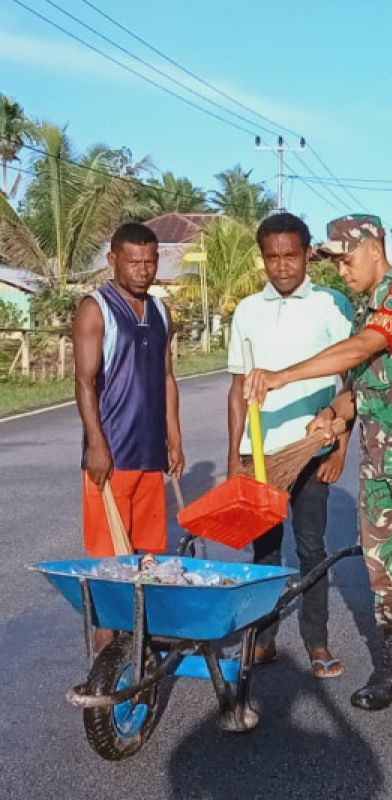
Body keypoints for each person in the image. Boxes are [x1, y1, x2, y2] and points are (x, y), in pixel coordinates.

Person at [243, 214, 392, 728]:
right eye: (334, 263)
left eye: (347, 260)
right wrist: (333, 415)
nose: (342, 272)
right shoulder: (364, 311)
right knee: (385, 570)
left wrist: (283, 376)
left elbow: (364, 348)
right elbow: (364, 386)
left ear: (375, 247)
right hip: (376, 463)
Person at [226, 213, 354, 679]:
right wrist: (234, 456)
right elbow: (237, 386)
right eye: (272, 256)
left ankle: (317, 641)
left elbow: (350, 381)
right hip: (260, 453)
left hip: (312, 450)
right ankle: (262, 638)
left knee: (311, 547)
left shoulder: (332, 304)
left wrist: (339, 448)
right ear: (263, 257)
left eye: (291, 255)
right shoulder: (246, 311)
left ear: (306, 255)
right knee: (264, 552)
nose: (281, 265)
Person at [74, 223, 184, 646]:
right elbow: (84, 382)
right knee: (111, 571)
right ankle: (107, 669)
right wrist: (96, 446)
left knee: (148, 560)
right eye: (134, 261)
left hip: (150, 457)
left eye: (150, 261)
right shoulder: (95, 308)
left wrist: (174, 436)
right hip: (111, 460)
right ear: (112, 260)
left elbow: (167, 376)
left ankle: (140, 657)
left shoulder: (159, 311)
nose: (143, 270)